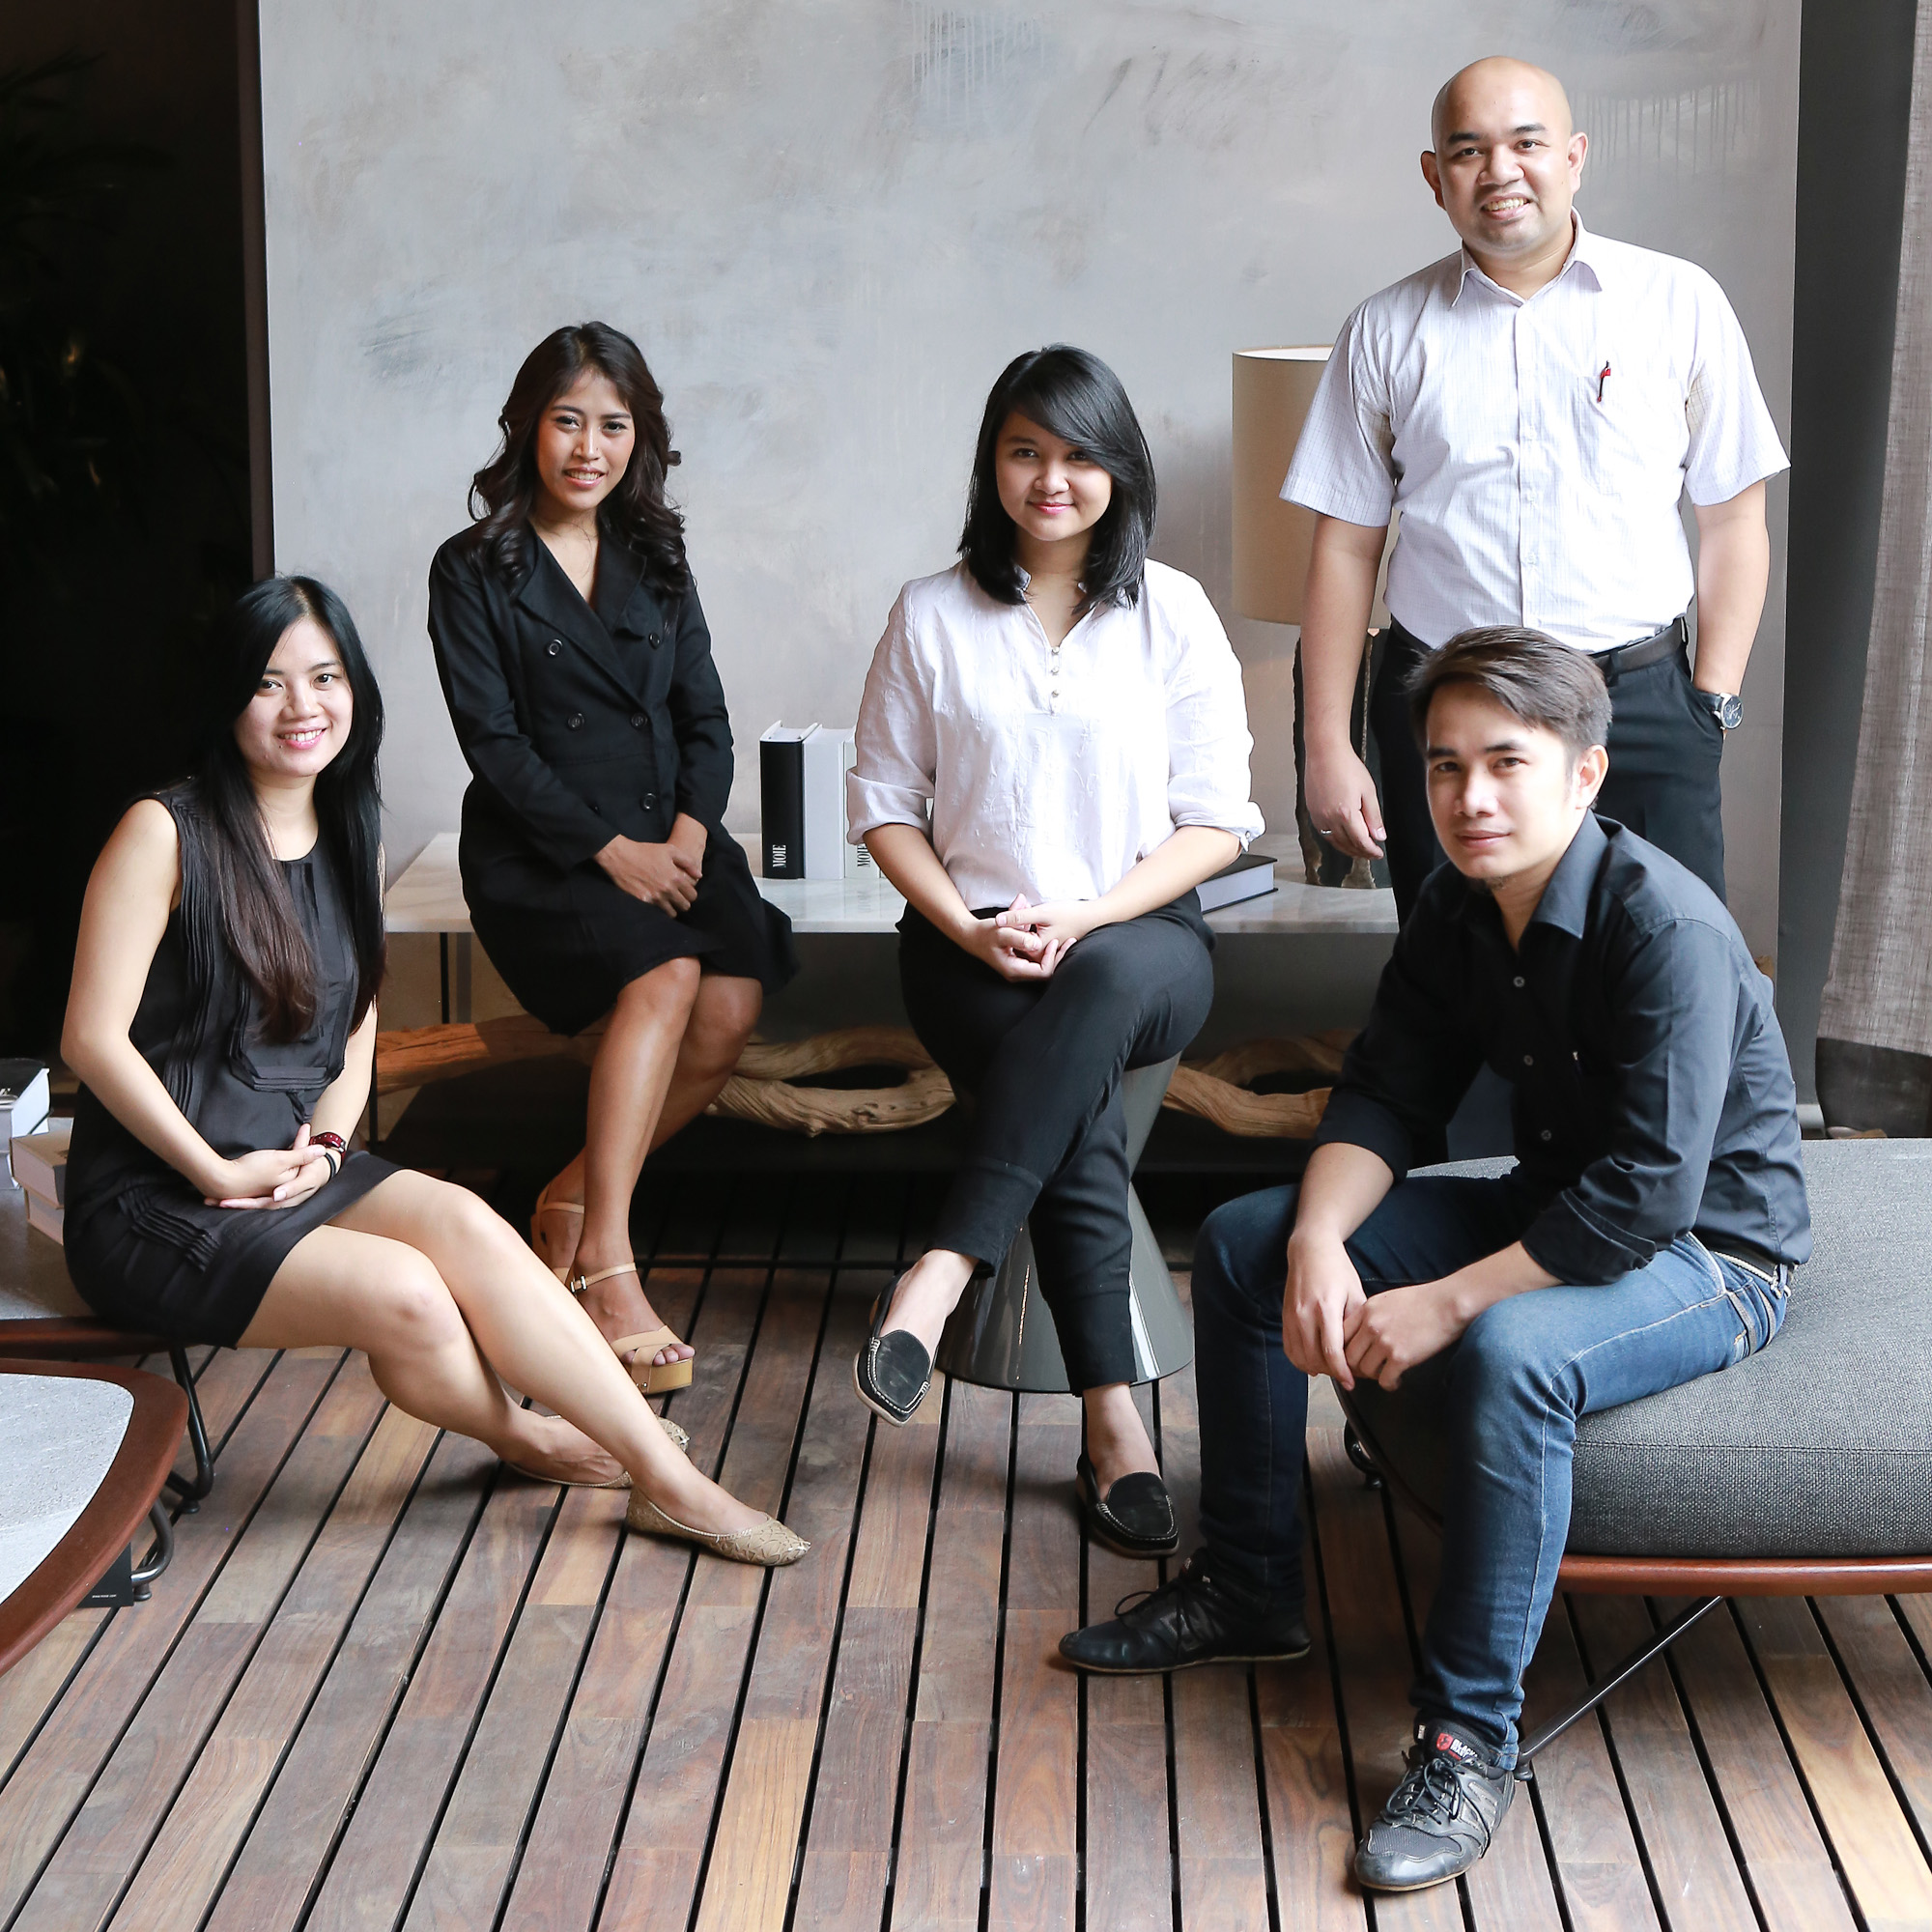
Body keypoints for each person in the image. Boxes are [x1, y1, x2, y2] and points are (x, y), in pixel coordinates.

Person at [1059, 628, 1808, 1890]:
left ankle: (1466, 1742)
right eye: (1445, 765)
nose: (1469, 797)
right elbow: (1385, 1097)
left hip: (1708, 1252)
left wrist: (1446, 1303)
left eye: (1505, 762)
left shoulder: (1662, 923)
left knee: (1512, 1350)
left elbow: (1648, 1194)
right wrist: (1316, 1242)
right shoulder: (1458, 909)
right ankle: (1249, 1588)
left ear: (1583, 772)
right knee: (1244, 1242)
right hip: (1554, 1202)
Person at [61, 575, 806, 1569]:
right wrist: (215, 1168)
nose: (301, 705)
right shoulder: (165, 830)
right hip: (156, 1201)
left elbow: (358, 1018)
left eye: (325, 677)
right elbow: (90, 1039)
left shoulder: (347, 824)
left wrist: (332, 1144)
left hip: (292, 1164)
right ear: (227, 697)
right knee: (410, 1292)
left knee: (470, 1224)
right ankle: (532, 1436)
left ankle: (663, 1478)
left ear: (355, 689)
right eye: (269, 682)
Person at [847, 345, 1263, 1558]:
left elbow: (1215, 821)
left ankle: (937, 1272)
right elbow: (883, 807)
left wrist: (1089, 914)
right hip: (964, 944)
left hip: (1141, 937)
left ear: (1118, 468)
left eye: (1079, 454)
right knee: (1072, 1104)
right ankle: (1113, 1428)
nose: (1051, 478)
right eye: (1025, 450)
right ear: (991, 463)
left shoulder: (1172, 611)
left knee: (1097, 987)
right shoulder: (930, 614)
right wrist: (968, 926)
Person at [1288, 55, 1786, 920]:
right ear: (1434, 176)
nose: (1500, 171)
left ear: (1574, 157)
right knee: (1462, 975)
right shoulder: (1383, 330)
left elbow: (1735, 517)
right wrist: (1327, 743)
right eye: (1469, 151)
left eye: (1527, 143)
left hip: (1639, 706)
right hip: (1449, 710)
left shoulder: (1679, 303)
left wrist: (1711, 702)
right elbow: (1345, 547)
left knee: (1667, 959)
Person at [428, 324, 795, 1394]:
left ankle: (569, 1195)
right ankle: (608, 1264)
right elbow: (493, 745)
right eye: (567, 421)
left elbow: (706, 721)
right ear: (526, 427)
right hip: (541, 851)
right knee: (667, 974)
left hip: (669, 834)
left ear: (641, 438)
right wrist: (612, 854)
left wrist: (686, 834)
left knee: (729, 1003)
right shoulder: (473, 567)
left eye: (614, 425)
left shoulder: (658, 556)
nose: (589, 447)